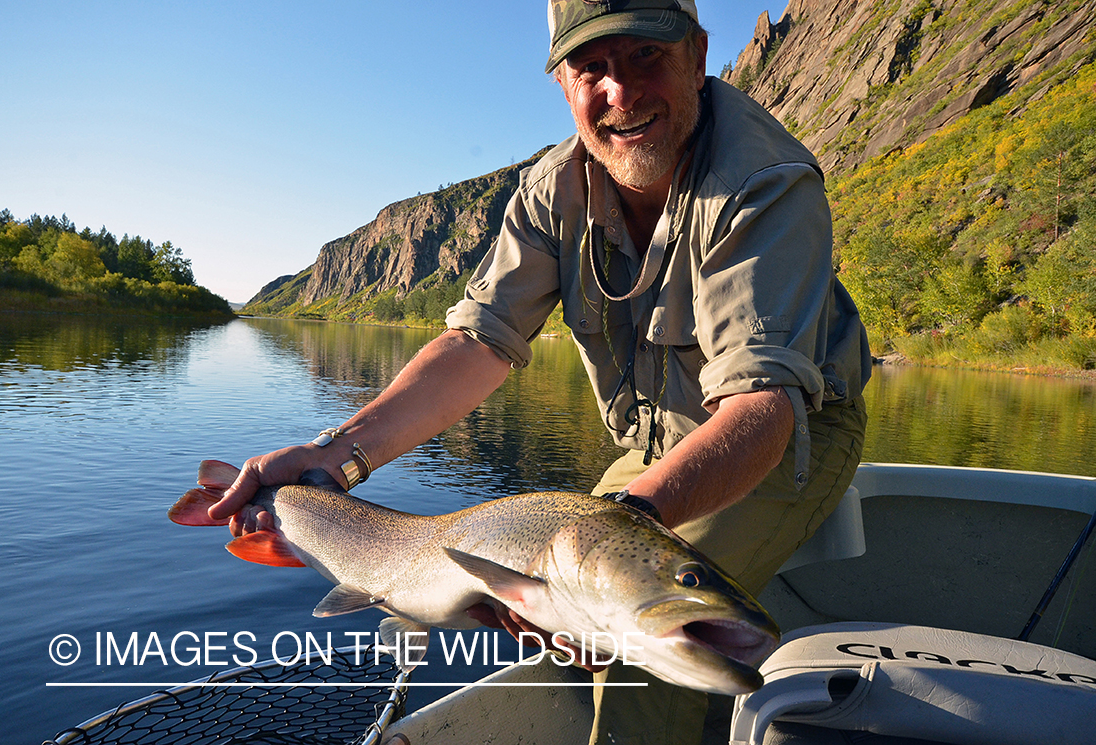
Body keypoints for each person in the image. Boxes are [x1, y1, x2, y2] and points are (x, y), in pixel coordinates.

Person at [212, 1, 870, 742]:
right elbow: (477, 345)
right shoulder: (549, 191)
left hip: (783, 434)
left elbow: (760, 408)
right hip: (653, 450)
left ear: (695, 53)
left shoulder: (764, 181)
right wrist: (337, 455)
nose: (619, 93)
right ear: (562, 82)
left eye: (645, 58)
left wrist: (617, 540)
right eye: (592, 68)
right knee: (567, 639)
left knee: (623, 642)